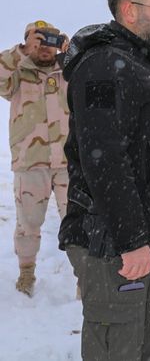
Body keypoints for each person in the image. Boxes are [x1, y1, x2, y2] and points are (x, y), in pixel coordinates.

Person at [56, 0, 150, 360]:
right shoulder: (103, 67)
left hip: (148, 237)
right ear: (130, 11)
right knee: (119, 348)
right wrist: (132, 241)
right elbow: (104, 160)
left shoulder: (143, 66)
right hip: (113, 242)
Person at [0, 20, 70, 296]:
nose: (44, 47)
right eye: (37, 40)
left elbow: (96, 79)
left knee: (79, 221)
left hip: (69, 163)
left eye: (50, 40)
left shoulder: (69, 71)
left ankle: (85, 277)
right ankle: (26, 273)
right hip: (31, 162)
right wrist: (20, 52)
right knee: (28, 224)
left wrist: (72, 51)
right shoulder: (17, 72)